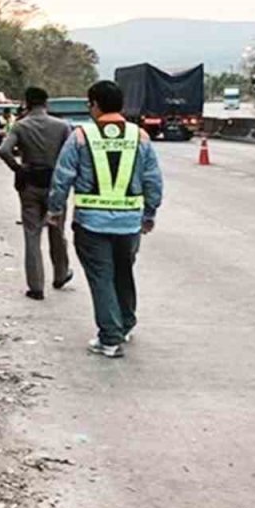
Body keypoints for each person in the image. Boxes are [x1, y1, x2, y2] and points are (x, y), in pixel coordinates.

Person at [47, 80, 163, 359]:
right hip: (129, 223)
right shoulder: (140, 137)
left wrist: (54, 209)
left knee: (101, 277)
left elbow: (63, 177)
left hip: (91, 223)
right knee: (124, 272)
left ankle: (110, 338)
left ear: (95, 105)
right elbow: (153, 181)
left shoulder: (80, 137)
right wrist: (149, 213)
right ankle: (124, 324)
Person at [0, 87, 73, 301]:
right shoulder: (62, 126)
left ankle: (36, 286)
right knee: (56, 231)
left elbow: (4, 150)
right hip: (55, 185)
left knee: (32, 235)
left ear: (26, 103)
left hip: (30, 185)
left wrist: (19, 169)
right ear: (46, 103)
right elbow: (71, 155)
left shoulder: (20, 126)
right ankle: (60, 274)